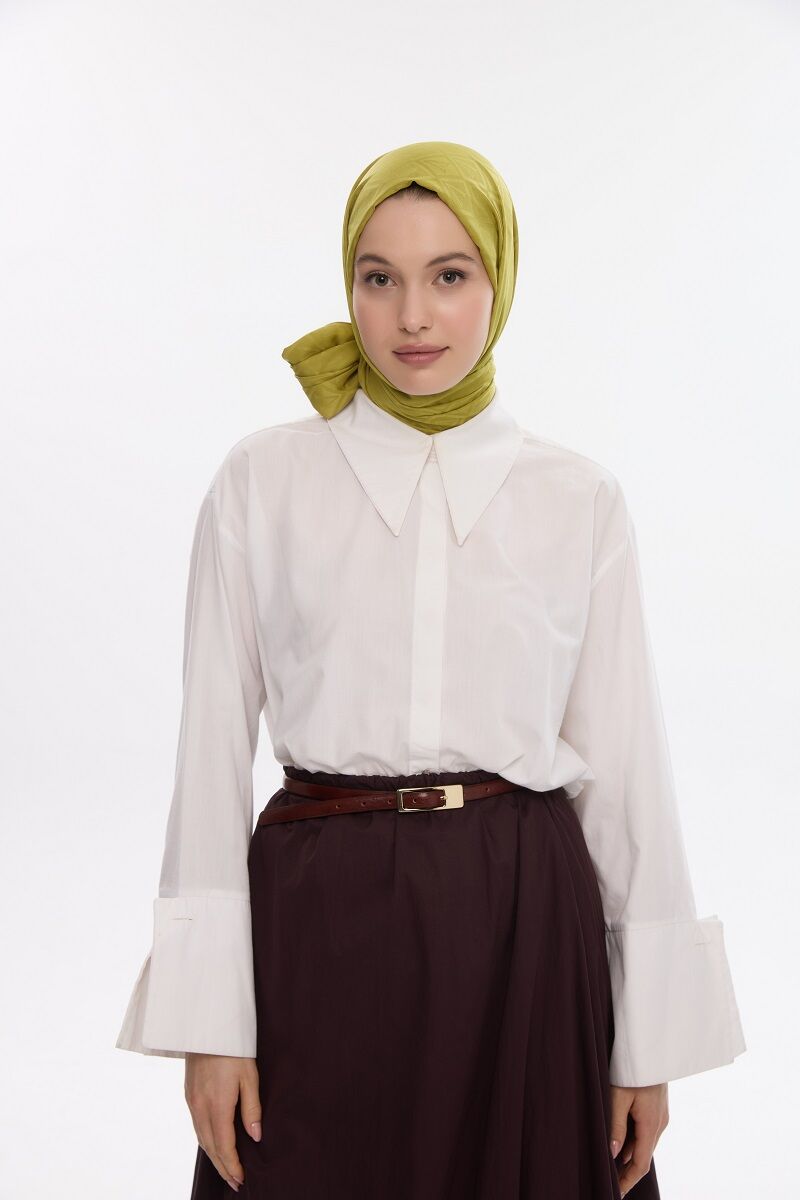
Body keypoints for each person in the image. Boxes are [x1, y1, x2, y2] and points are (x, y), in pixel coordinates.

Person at [115, 141, 747, 1198]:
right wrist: (209, 1024)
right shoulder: (263, 481)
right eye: (380, 278)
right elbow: (207, 755)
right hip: (316, 922)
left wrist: (649, 1038)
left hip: (522, 924)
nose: (412, 316)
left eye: (448, 275)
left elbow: (628, 771)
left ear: (498, 280)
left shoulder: (577, 499)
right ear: (348, 286)